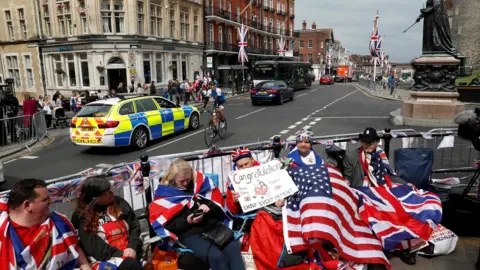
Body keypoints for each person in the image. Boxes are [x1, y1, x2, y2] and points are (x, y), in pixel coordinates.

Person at [343, 127, 443, 266]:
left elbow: (389, 174)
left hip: (382, 187)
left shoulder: (380, 154)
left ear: (376, 142)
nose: (367, 145)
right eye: (365, 142)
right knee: (380, 212)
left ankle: (403, 246)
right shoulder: (352, 156)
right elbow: (347, 178)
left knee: (403, 206)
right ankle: (385, 247)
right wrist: (346, 185)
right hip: (363, 190)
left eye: (370, 142)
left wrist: (406, 184)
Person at [149, 159, 245, 270]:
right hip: (188, 232)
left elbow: (216, 202)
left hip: (211, 226)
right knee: (216, 257)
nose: (185, 183)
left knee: (233, 250)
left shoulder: (200, 183)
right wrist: (187, 221)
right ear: (173, 178)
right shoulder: (165, 194)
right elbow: (167, 225)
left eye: (187, 179)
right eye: (181, 181)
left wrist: (208, 206)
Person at [0, 178, 91, 270]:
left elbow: (74, 246)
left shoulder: (59, 222)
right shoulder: (3, 233)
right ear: (27, 205)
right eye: (45, 200)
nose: (51, 202)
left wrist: (85, 266)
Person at [72, 177, 143, 270]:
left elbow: (134, 227)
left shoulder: (119, 203)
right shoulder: (81, 216)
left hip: (129, 252)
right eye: (107, 193)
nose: (112, 194)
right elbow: (93, 246)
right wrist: (120, 254)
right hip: (103, 261)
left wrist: (132, 247)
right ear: (96, 199)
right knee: (130, 264)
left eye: (110, 190)